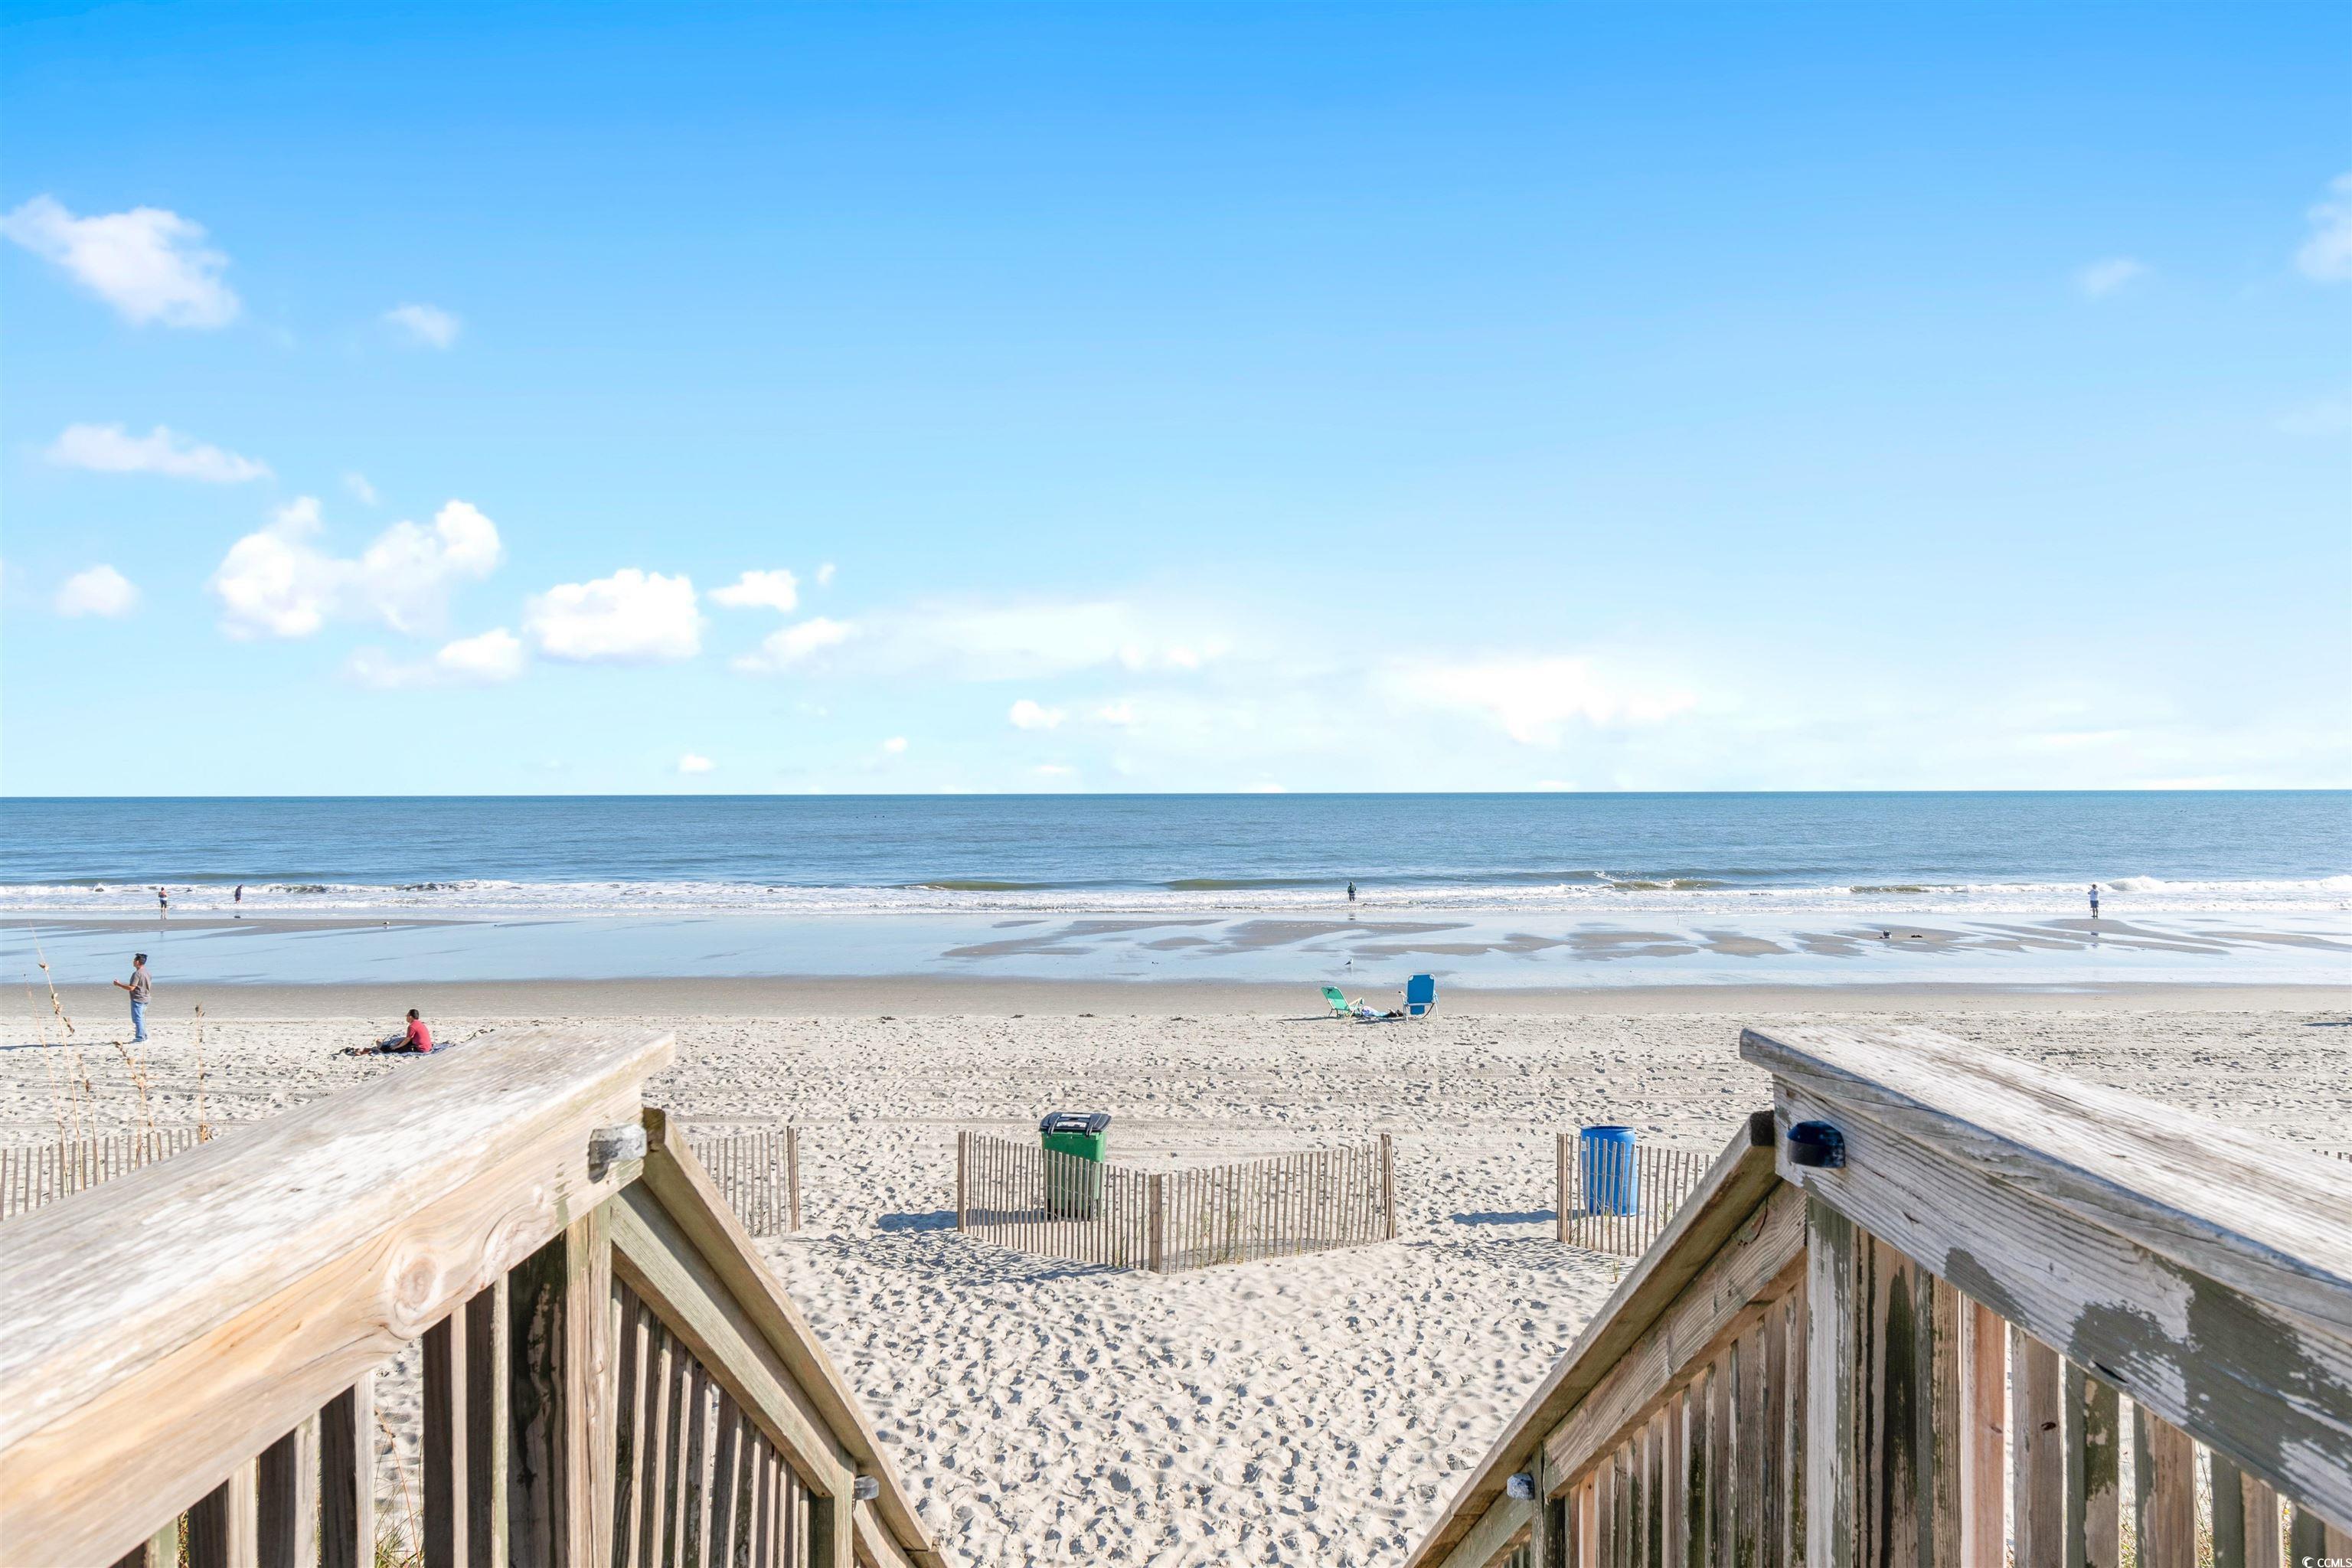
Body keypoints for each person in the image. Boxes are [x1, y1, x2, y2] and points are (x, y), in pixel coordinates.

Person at [113, 954, 152, 1044]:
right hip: (146, 998)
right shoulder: (147, 972)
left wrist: (118, 984)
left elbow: (131, 988)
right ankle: (144, 1036)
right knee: (140, 1018)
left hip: (139, 999)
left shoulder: (137, 974)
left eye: (134, 960)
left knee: (137, 1019)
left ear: (137, 962)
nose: (133, 961)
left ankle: (140, 1038)